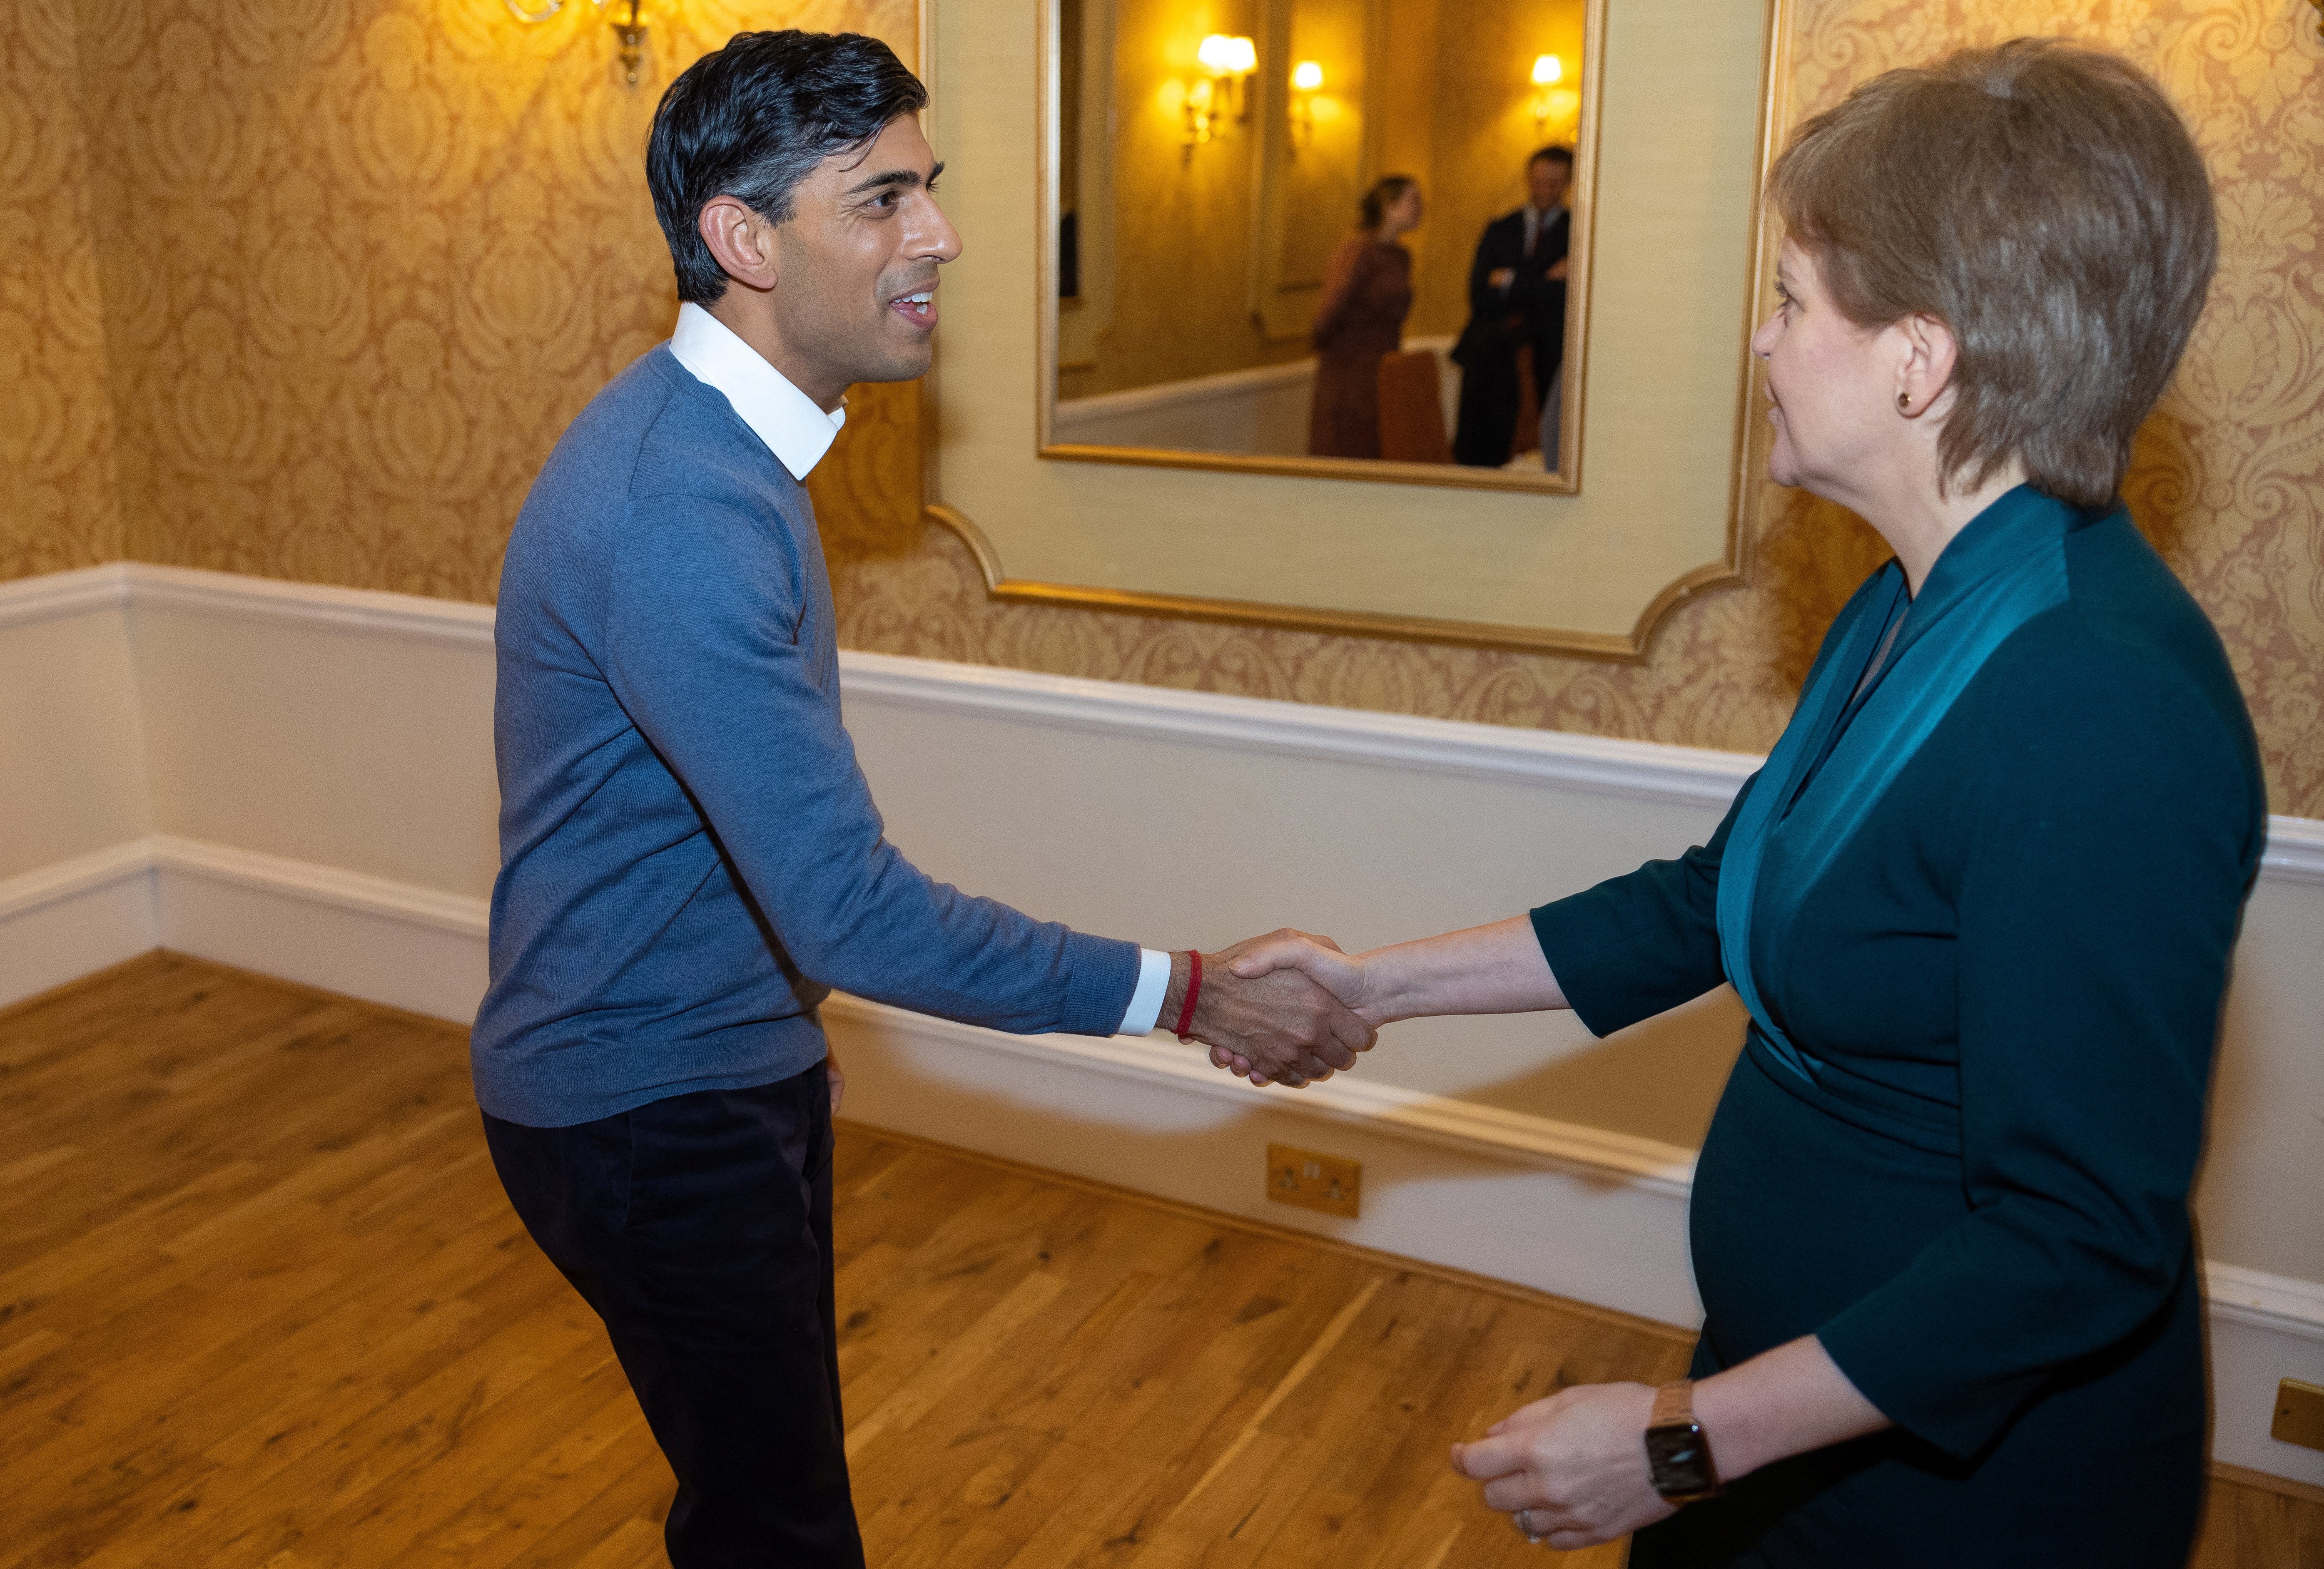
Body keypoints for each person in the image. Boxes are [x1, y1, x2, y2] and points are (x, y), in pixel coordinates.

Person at [1230, 40, 2257, 1568]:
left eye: (1788, 301)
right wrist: (1372, 984)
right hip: (1796, 1400)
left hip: (1958, 1484)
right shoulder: (1915, 603)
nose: (1761, 343)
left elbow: (2076, 1236)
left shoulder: (2096, 698)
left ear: (1920, 356)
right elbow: (1712, 897)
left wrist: (1678, 1437)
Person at [468, 31, 1371, 1569]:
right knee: (782, 1532)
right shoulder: (679, 509)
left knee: (758, 1507)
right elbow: (853, 912)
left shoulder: (717, 454)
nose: (938, 233)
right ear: (744, 240)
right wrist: (1197, 992)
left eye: (927, 190)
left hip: (718, 1069)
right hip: (645, 1105)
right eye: (882, 198)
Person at [1451, 146, 1571, 467]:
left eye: (1554, 182)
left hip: (1548, 355)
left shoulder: (1576, 232)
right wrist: (1545, 279)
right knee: (1480, 450)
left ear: (1567, 183)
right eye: (1539, 181)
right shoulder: (1500, 228)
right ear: (1528, 180)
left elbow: (1565, 299)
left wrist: (1509, 280)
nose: (1545, 190)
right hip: (1490, 358)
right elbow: (1479, 294)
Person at [1307, 175, 1422, 459]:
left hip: (1382, 366)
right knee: (1345, 449)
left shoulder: (1401, 256)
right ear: (1389, 207)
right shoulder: (1358, 251)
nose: (1421, 208)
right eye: (1413, 200)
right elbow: (1330, 309)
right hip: (1349, 371)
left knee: (1378, 448)